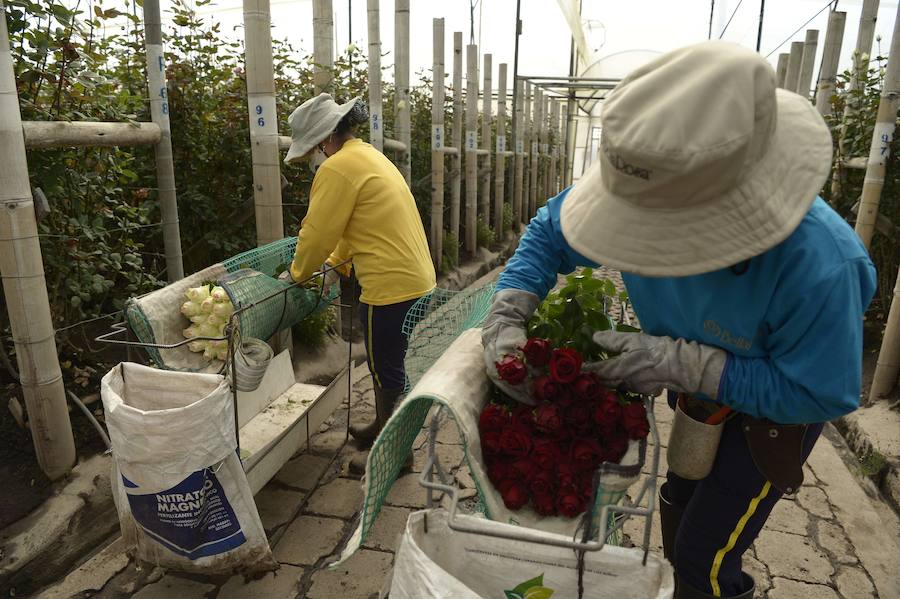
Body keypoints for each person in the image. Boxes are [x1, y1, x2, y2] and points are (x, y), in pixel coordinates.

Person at [481, 42, 876, 599]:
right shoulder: (654, 180)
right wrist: (509, 312)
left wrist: (684, 363)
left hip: (771, 416)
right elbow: (550, 231)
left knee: (703, 558)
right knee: (680, 502)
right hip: (698, 406)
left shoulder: (822, 266)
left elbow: (818, 391)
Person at [284, 93, 436, 447]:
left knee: (386, 370)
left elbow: (317, 234)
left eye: (310, 150)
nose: (310, 158)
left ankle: (395, 452)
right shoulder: (367, 156)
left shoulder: (337, 168)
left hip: (390, 287)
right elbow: (357, 227)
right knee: (389, 364)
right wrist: (336, 265)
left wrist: (298, 275)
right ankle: (383, 429)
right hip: (414, 279)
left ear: (323, 141)